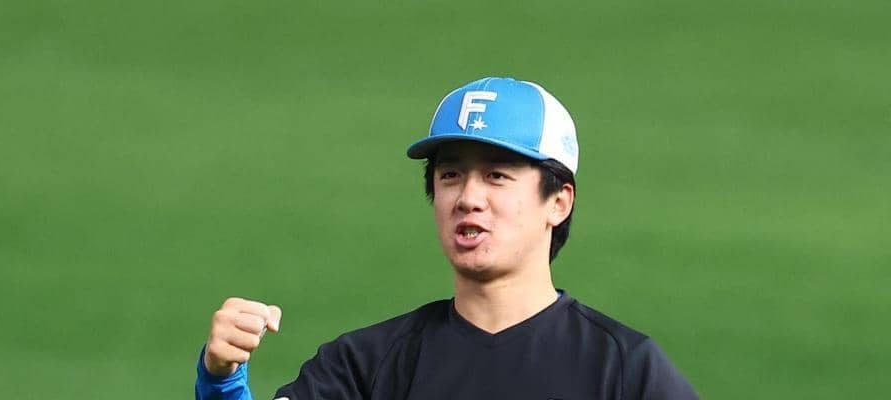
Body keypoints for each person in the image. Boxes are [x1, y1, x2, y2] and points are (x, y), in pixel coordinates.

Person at [195, 77, 699, 400]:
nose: (468, 197)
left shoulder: (624, 370)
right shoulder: (365, 366)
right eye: (451, 175)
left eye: (497, 175)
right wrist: (222, 380)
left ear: (558, 202)